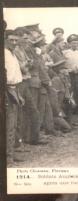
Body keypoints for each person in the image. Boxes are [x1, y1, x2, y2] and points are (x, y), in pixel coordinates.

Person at [5, 29, 24, 163]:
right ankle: (8, 157)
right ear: (5, 39)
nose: (14, 42)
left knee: (14, 124)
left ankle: (10, 153)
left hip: (15, 89)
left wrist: (18, 94)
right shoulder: (4, 54)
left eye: (16, 40)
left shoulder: (13, 54)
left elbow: (16, 76)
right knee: (9, 125)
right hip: (6, 90)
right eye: (11, 40)